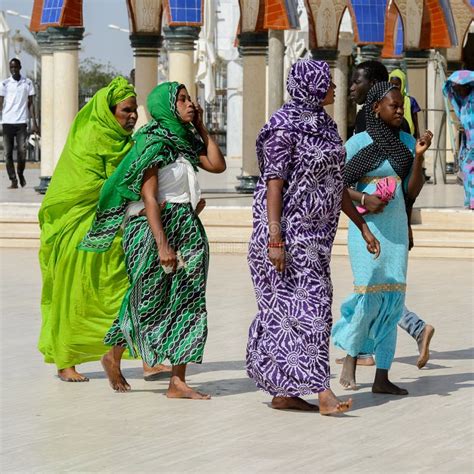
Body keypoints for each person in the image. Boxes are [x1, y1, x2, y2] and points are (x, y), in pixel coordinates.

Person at [245, 60, 380, 415]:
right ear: (313, 85)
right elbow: (274, 184)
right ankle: (323, 392)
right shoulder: (282, 127)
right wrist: (276, 239)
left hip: (317, 239)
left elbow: (335, 185)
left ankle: (284, 393)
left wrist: (362, 225)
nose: (335, 89)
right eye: (329, 83)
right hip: (285, 238)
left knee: (297, 315)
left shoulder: (325, 126)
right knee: (311, 312)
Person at [80, 82, 226, 398]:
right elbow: (148, 197)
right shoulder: (154, 142)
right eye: (183, 100)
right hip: (151, 227)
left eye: (190, 99)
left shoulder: (186, 141)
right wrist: (162, 244)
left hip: (187, 225)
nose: (190, 103)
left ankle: (178, 381)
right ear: (166, 106)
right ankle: (113, 354)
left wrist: (200, 125)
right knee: (148, 298)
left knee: (189, 298)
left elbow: (217, 165)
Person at [38, 77, 170, 382]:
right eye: (126, 110)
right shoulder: (88, 138)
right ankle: (65, 360)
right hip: (81, 228)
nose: (132, 116)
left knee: (128, 294)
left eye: (134, 110)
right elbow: (84, 186)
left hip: (118, 228)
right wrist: (129, 191)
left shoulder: (129, 144)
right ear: (108, 112)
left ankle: (147, 360)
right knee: (76, 295)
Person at [332, 82, 433, 395]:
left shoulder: (406, 141)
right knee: (368, 296)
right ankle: (351, 357)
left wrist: (417, 157)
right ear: (376, 108)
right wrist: (365, 199)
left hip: (395, 230)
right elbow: (336, 188)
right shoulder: (357, 143)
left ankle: (383, 375)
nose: (400, 110)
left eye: (401, 105)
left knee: (392, 299)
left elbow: (411, 191)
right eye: (394, 105)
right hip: (366, 228)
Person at [0, 58, 38, 189]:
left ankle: (20, 173)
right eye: (11, 67)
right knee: (8, 153)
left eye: (15, 67)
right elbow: (0, 103)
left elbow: (31, 104)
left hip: (22, 121)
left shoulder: (27, 83)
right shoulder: (4, 84)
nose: (13, 69)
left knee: (22, 151)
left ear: (20, 67)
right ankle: (13, 180)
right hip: (7, 122)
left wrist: (34, 122)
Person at [443, 70, 474, 210]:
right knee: (468, 171)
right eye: (454, 88)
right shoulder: (463, 103)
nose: (456, 91)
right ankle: (471, 200)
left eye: (459, 87)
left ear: (467, 86)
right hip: (469, 145)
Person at [389, 68, 421, 139]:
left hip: (408, 135)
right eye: (391, 84)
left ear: (402, 84)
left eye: (397, 84)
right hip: (392, 135)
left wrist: (417, 137)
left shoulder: (411, 101)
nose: (394, 87)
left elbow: (415, 122)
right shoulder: (386, 101)